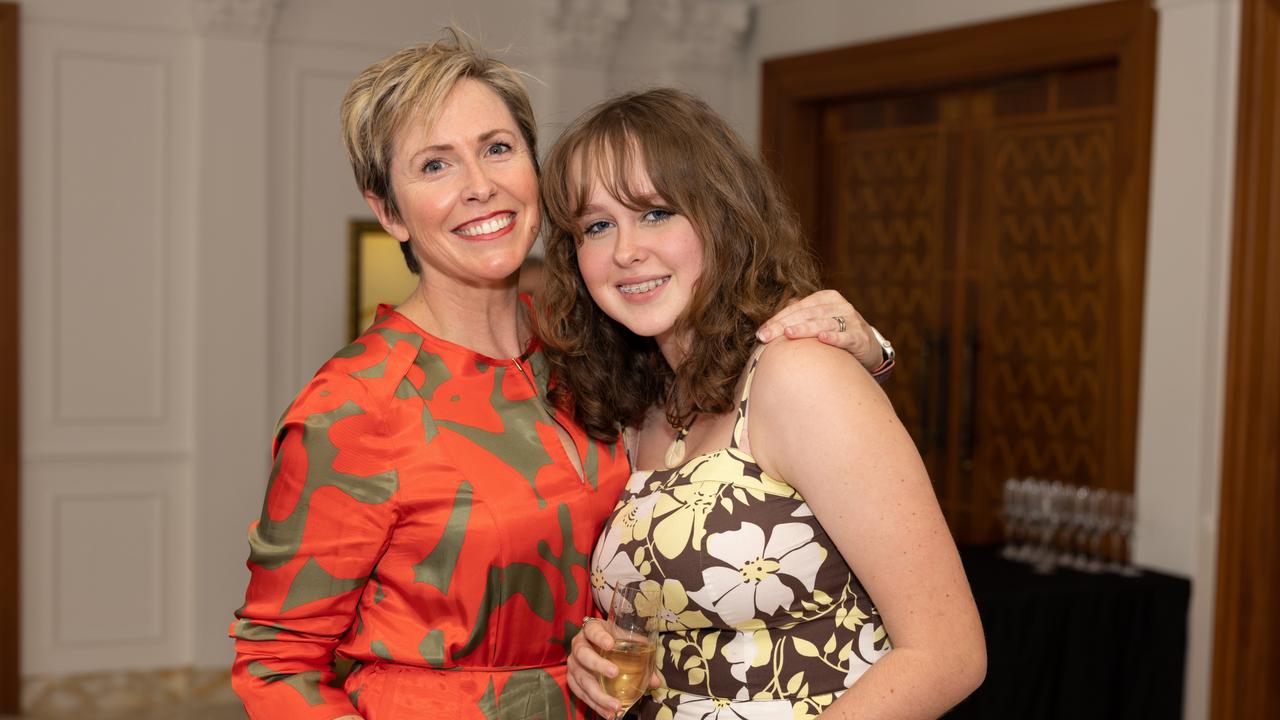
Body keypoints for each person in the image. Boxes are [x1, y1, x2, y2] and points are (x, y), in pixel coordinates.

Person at [229, 34, 891, 720]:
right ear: (389, 210)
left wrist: (862, 348)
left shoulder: (594, 345)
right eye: (435, 165)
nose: (478, 184)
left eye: (496, 148)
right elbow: (276, 663)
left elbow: (751, 413)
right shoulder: (355, 407)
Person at [542, 88, 986, 719]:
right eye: (596, 226)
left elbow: (948, 654)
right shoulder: (643, 411)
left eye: (657, 212)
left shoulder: (796, 373)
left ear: (722, 216)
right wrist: (600, 656)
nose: (624, 250)